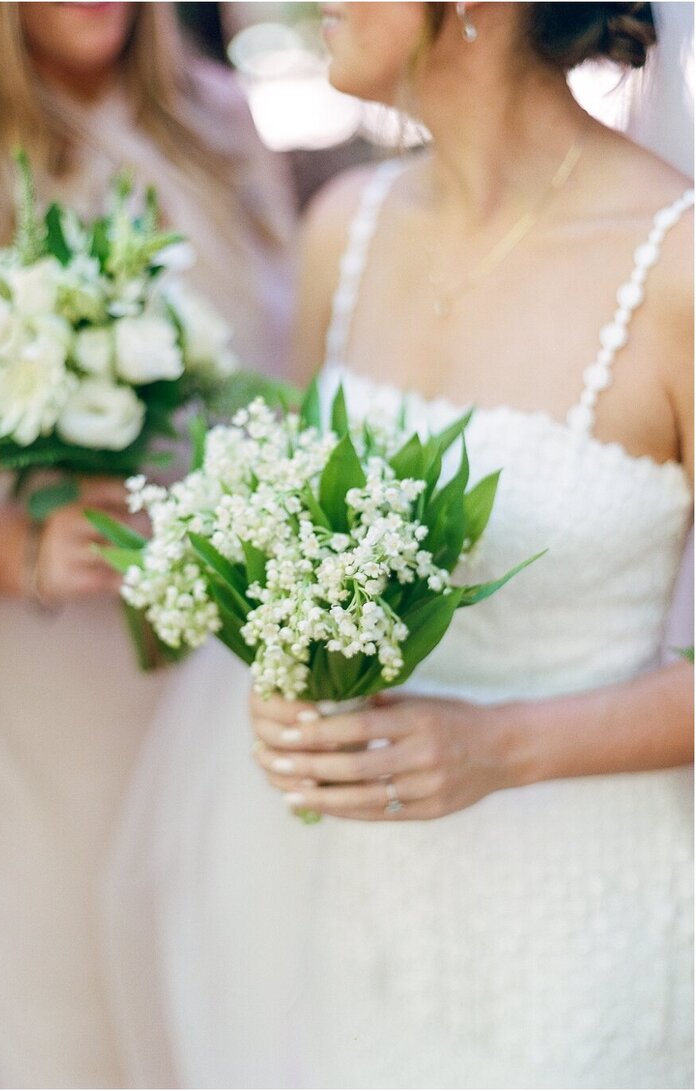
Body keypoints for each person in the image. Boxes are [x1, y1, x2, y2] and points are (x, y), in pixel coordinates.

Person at [105, 2, 692, 1088]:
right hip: (353, 910)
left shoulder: (677, 269)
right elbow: (293, 535)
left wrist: (497, 745)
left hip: (577, 925)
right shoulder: (345, 225)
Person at [0, 3, 293, 1087]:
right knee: (79, 1040)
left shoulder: (218, 120)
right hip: (45, 690)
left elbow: (295, 358)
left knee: (246, 1021)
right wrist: (16, 549)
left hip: (228, 667)